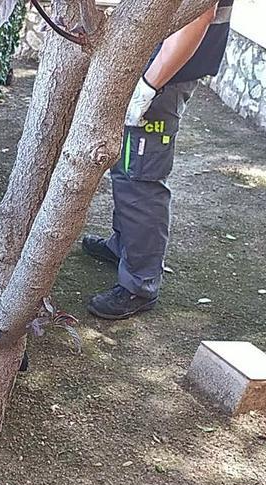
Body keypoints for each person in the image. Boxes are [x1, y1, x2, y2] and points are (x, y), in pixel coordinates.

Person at [83, 1, 233, 320]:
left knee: (141, 177)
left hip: (164, 74)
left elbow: (198, 13)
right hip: (152, 64)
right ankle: (124, 247)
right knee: (126, 166)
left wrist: (149, 85)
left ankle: (140, 283)